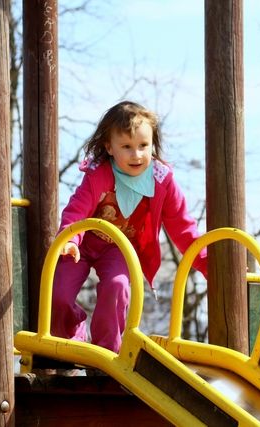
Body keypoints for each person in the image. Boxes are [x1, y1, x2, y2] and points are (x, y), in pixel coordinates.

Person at [51, 100, 207, 353]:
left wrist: (207, 264)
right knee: (58, 294)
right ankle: (70, 338)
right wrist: (70, 239)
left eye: (143, 146)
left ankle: (107, 350)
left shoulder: (161, 180)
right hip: (82, 244)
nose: (137, 155)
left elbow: (183, 227)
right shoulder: (99, 174)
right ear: (109, 147)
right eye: (126, 147)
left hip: (119, 249)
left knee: (117, 286)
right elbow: (77, 210)